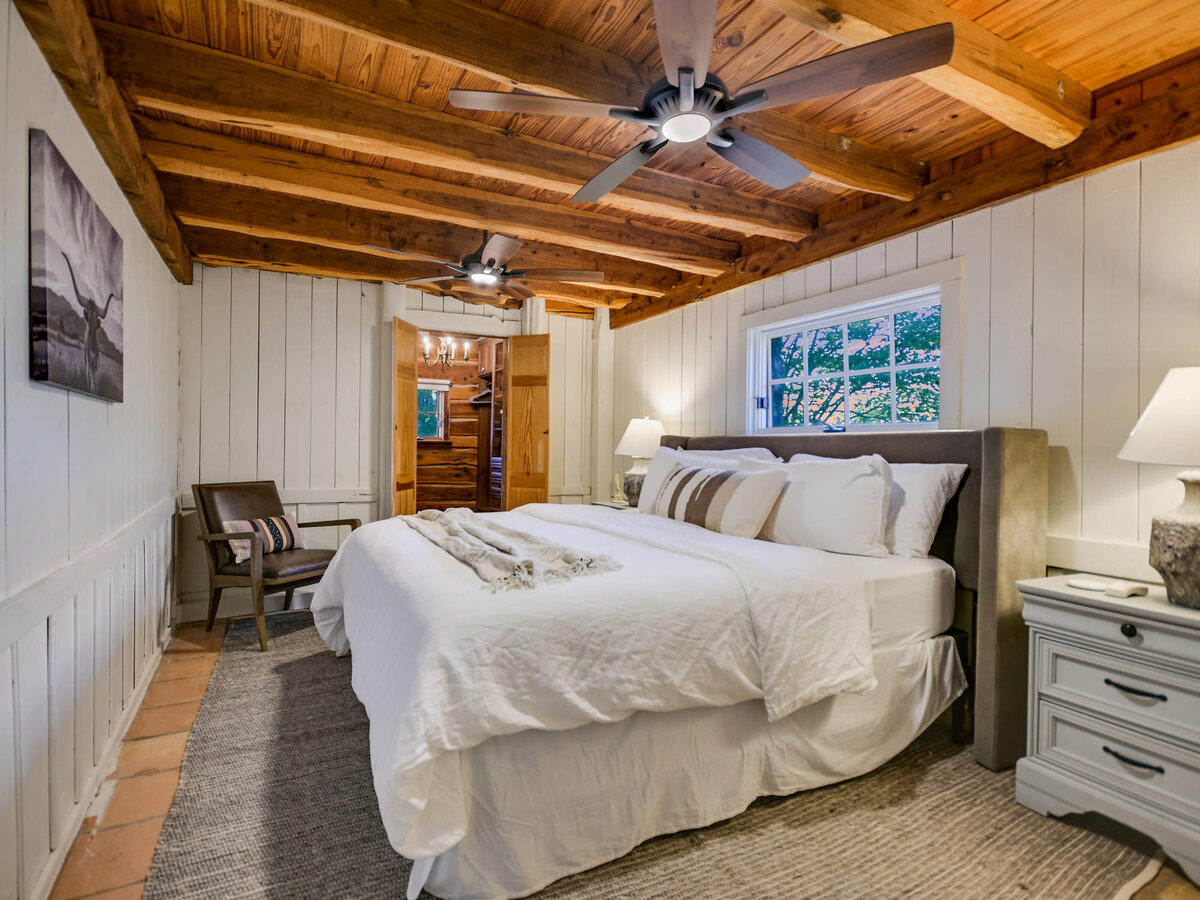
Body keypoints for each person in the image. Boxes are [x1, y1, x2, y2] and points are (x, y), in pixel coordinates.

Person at [61, 251, 115, 394]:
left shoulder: (94, 333)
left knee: (93, 371)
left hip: (93, 349)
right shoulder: (89, 330)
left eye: (93, 318)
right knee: (89, 370)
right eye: (90, 316)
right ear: (87, 316)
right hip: (90, 348)